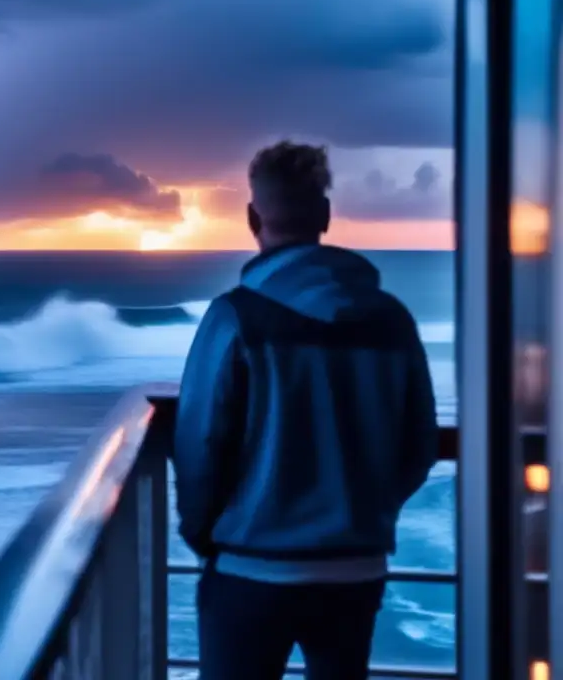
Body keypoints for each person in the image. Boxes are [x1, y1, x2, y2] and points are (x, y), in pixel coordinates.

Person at [172, 140, 440, 680]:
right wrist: (365, 509)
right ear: (324, 214)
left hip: (250, 568)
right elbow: (419, 444)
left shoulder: (234, 319)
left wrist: (206, 534)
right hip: (355, 568)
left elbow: (199, 443)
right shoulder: (391, 320)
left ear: (253, 217)